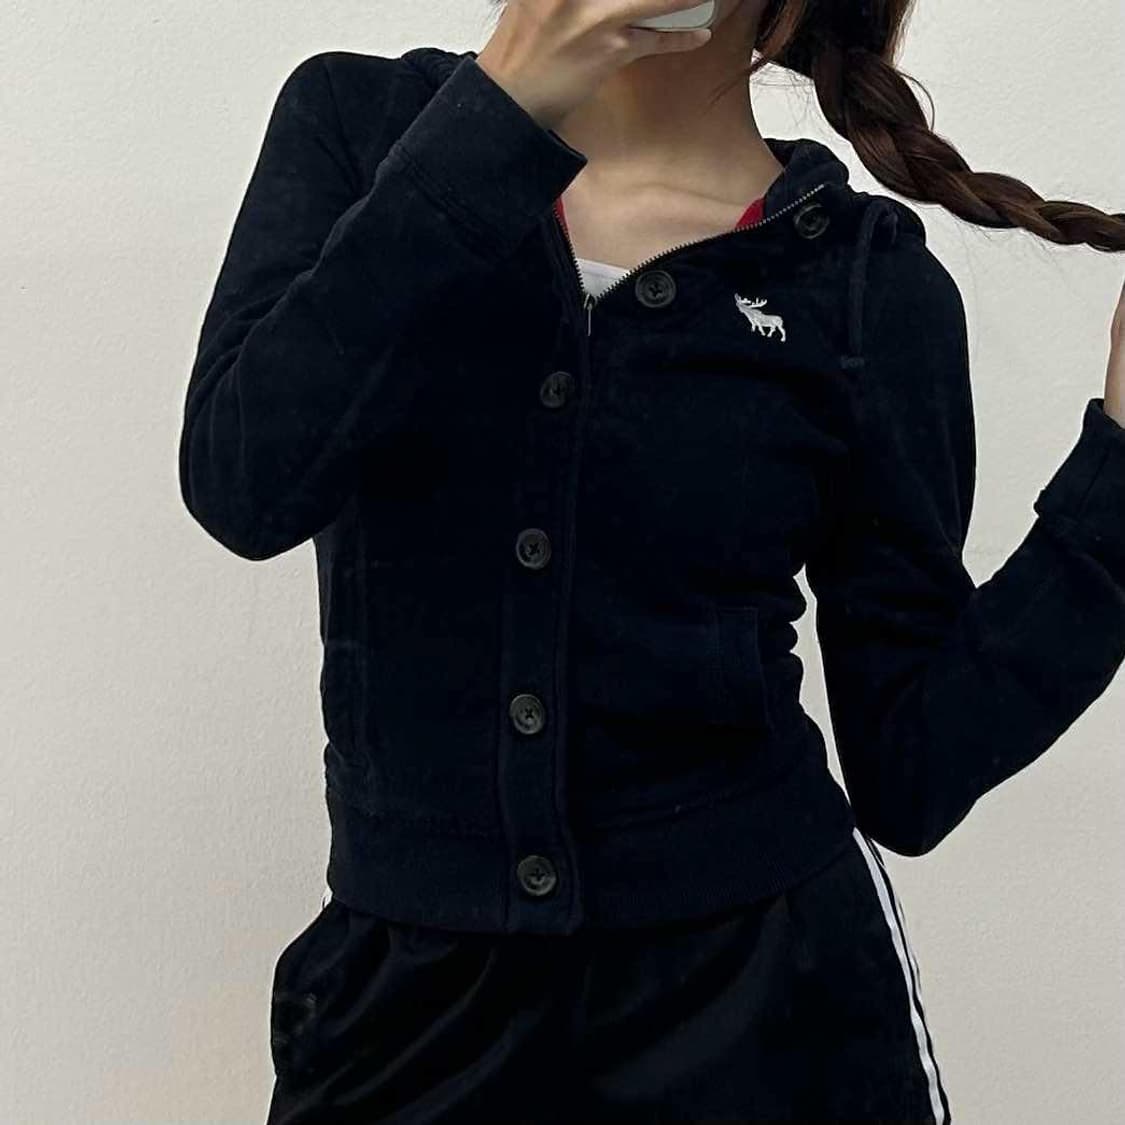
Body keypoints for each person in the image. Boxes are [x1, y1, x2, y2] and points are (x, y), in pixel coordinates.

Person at [178, 1, 1125, 1121]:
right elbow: (245, 482)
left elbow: (913, 766)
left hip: (769, 1013)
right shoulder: (360, 126)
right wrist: (495, 115)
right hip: (403, 1012)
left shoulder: (864, 279)